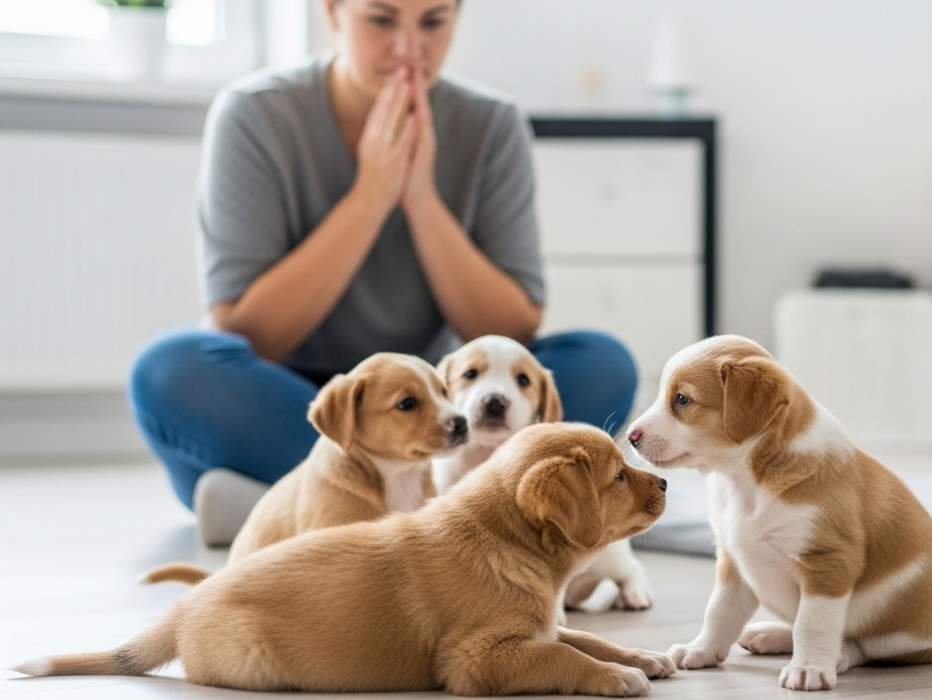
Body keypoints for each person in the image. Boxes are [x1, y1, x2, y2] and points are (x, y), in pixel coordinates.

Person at [127, 0, 637, 545]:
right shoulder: (255, 114)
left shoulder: (491, 123)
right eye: (381, 20)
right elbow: (250, 332)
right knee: (168, 371)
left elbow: (510, 329)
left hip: (436, 405)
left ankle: (277, 505)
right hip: (297, 397)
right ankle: (424, 506)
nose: (409, 50)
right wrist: (370, 196)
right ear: (332, 12)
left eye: (434, 23)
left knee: (602, 364)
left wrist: (420, 198)